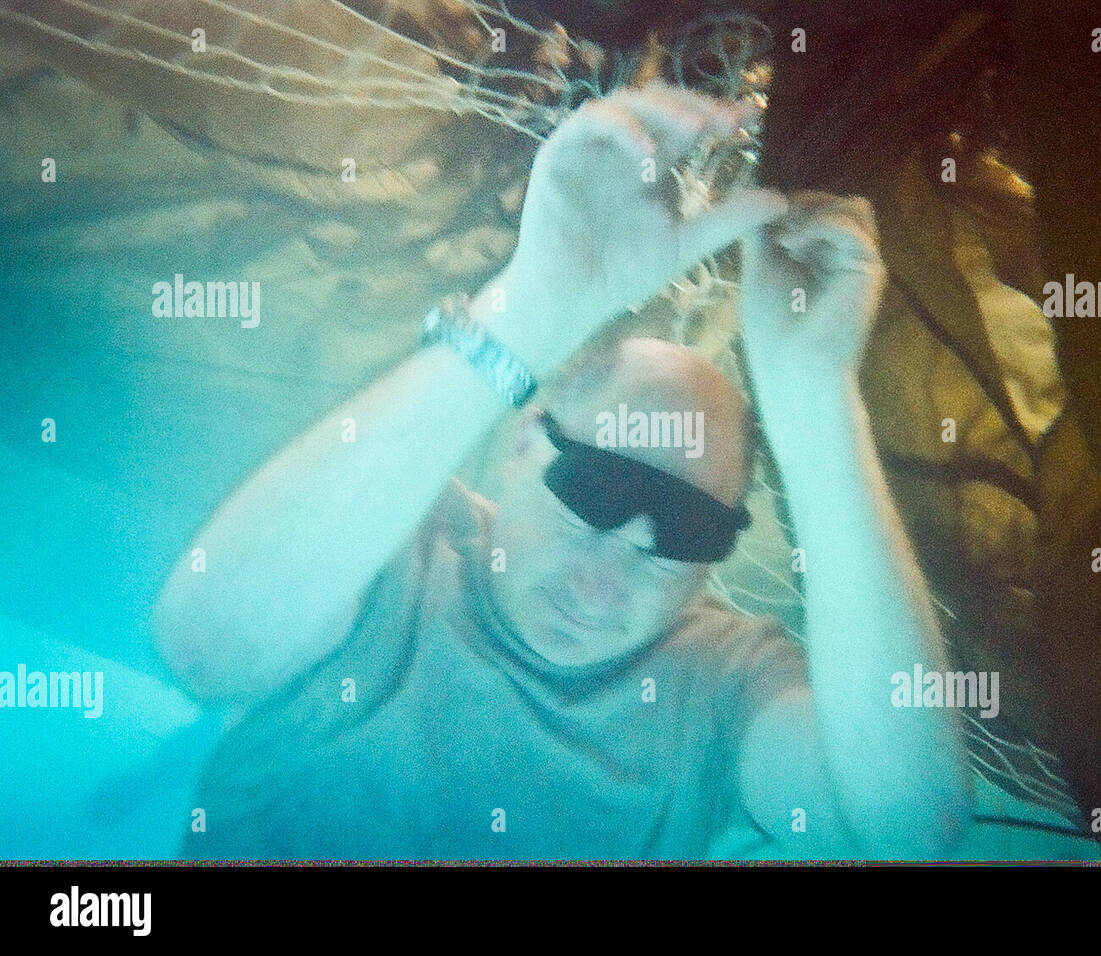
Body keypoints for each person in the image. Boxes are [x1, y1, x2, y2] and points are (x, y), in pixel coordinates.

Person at [151, 82, 978, 860]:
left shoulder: (720, 682)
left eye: (688, 529)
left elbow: (904, 829)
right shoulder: (398, 542)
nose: (610, 573)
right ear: (520, 448)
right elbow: (206, 645)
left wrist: (815, 398)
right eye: (598, 488)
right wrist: (537, 302)